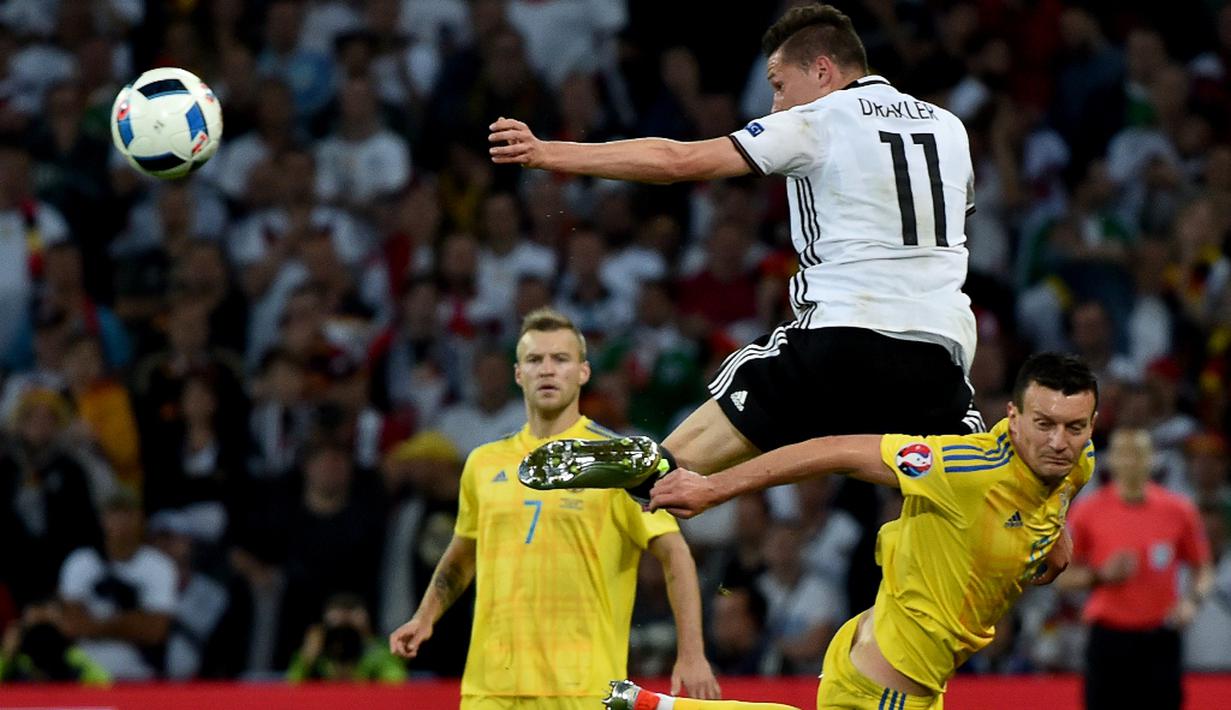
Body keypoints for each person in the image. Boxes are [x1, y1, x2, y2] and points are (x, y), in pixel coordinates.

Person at [497, 4, 983, 502]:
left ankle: (650, 462)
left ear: (822, 70)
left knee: (670, 474)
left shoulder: (819, 117)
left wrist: (547, 152)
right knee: (973, 492)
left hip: (842, 338)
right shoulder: (950, 128)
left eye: (778, 84)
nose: (774, 106)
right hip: (938, 355)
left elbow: (676, 160)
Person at [600, 353, 1096, 710]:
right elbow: (834, 449)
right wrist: (714, 488)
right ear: (1013, 419)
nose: (1058, 442)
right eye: (1044, 424)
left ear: (1092, 425)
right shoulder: (962, 468)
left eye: (1074, 428)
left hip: (915, 671)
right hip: (889, 679)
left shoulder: (1077, 464)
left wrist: (1056, 541)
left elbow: (1055, 494)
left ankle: (651, 707)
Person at [388, 308, 720, 708]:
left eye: (560, 359)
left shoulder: (616, 459)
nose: (547, 369)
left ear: (583, 372)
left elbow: (675, 553)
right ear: (518, 374)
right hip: (490, 689)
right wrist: (425, 617)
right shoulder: (482, 462)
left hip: (581, 690)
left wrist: (692, 652)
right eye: (534, 359)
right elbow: (464, 550)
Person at [1058, 428, 1213, 710]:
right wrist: (1100, 575)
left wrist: (1192, 601)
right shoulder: (1088, 511)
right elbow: (1062, 577)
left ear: (1152, 459)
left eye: (1139, 454)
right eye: (1124, 454)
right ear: (1112, 460)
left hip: (1160, 637)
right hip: (1109, 638)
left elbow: (1202, 567)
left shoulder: (1178, 510)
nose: (1131, 462)